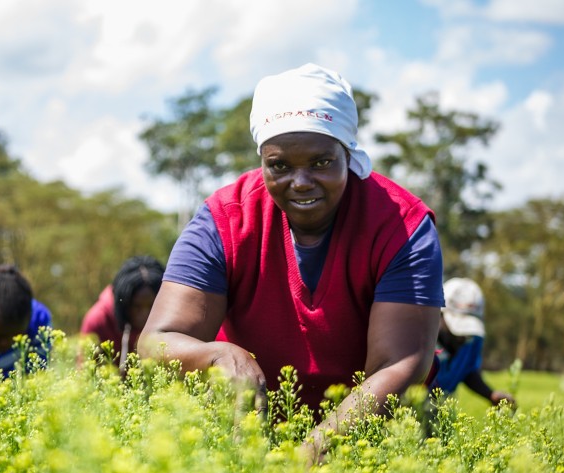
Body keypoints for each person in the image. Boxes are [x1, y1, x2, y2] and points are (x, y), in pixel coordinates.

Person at [138, 63, 444, 452]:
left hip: (370, 433)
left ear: (347, 153)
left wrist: (314, 451)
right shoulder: (224, 220)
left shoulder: (402, 225)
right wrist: (216, 355)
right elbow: (157, 340)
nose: (300, 182)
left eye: (321, 162)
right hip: (248, 427)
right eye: (280, 165)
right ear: (262, 159)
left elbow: (399, 365)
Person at [431, 277, 516, 407]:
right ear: (440, 314)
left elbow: (467, 371)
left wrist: (490, 395)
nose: (463, 337)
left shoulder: (472, 340)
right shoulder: (423, 341)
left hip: (441, 408)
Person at [80, 255, 164, 372]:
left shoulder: (169, 319)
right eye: (137, 306)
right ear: (124, 302)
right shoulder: (98, 320)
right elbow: (84, 374)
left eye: (151, 306)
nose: (145, 315)